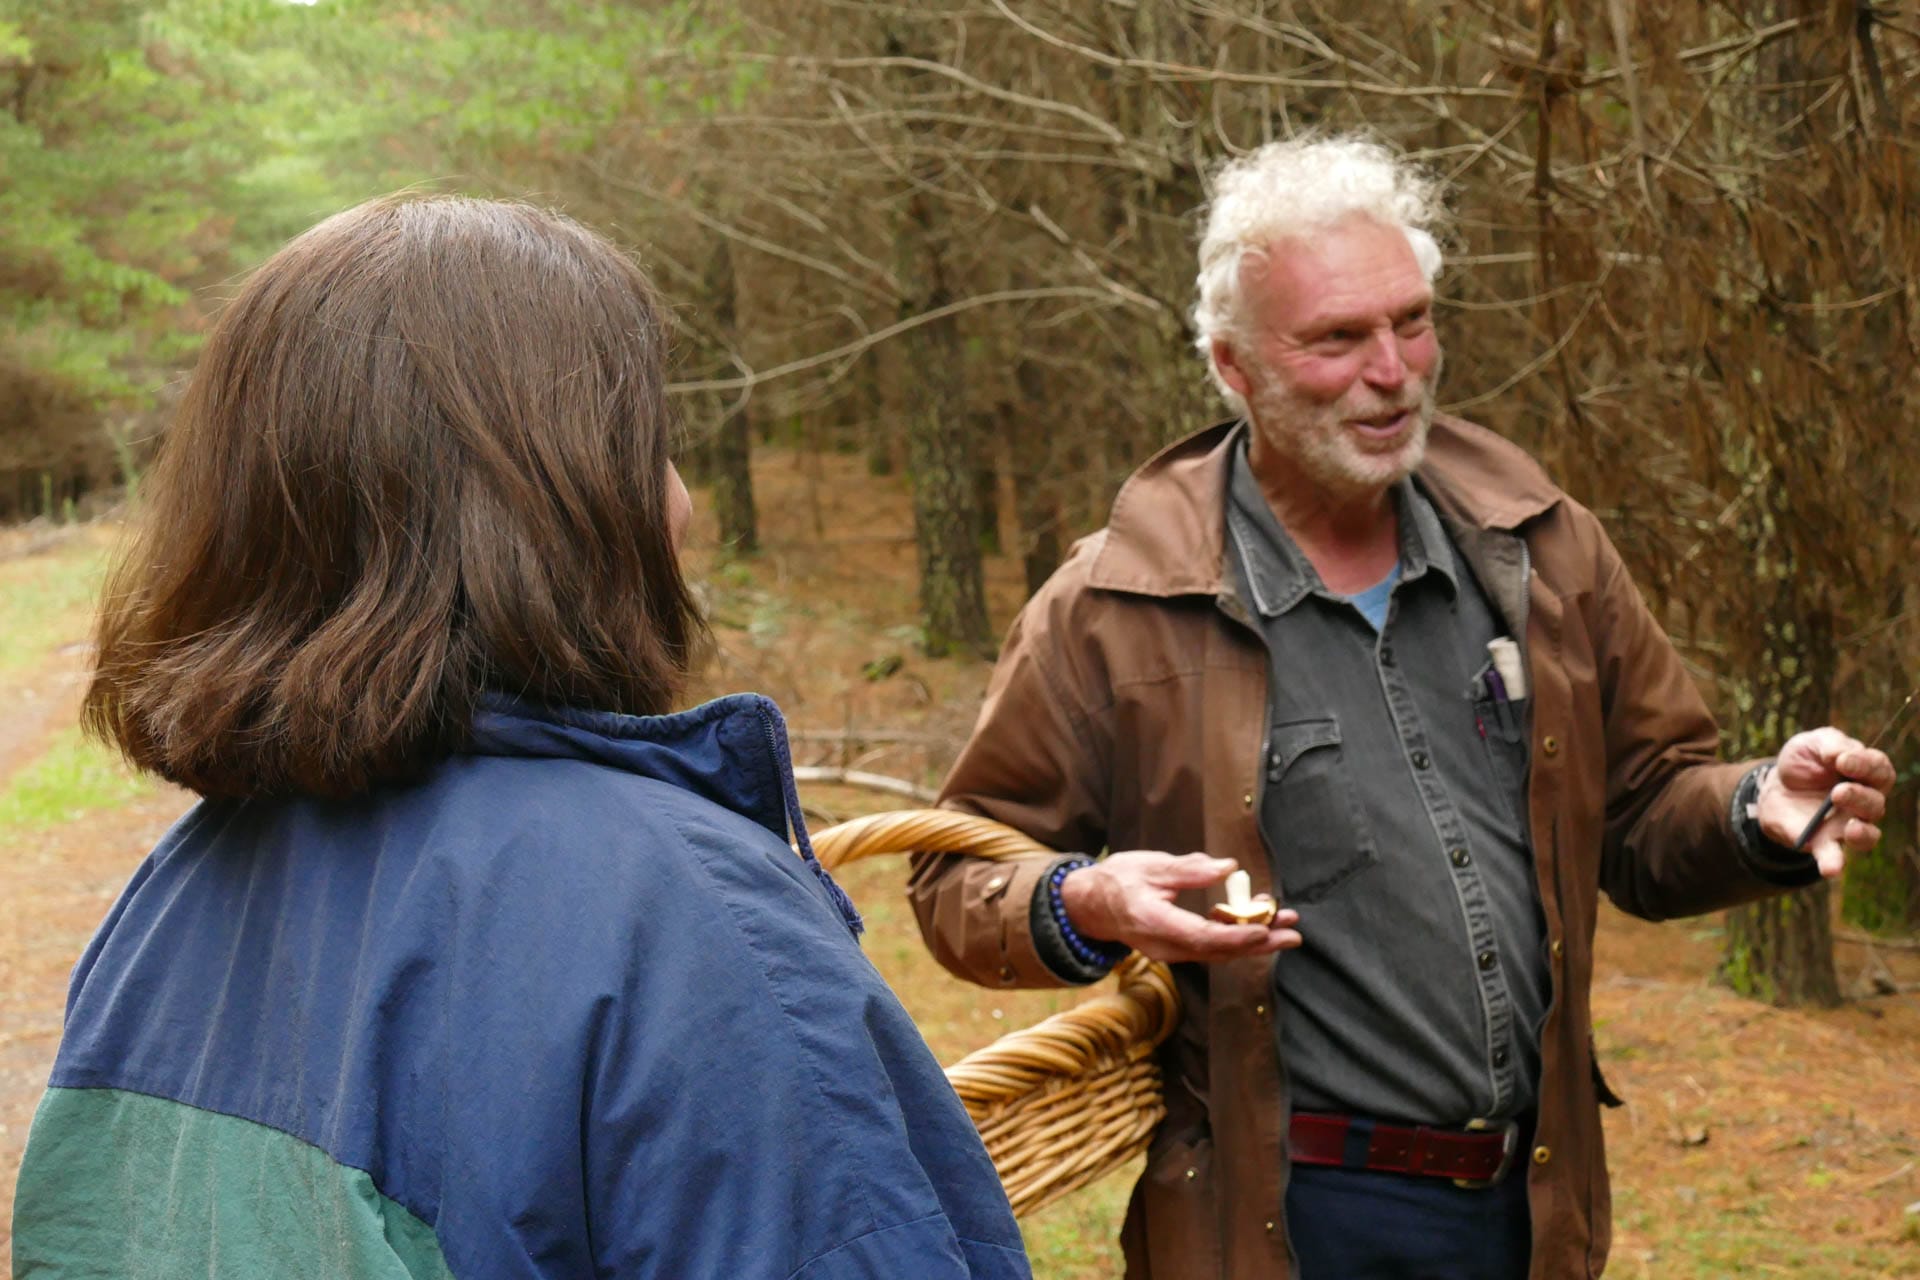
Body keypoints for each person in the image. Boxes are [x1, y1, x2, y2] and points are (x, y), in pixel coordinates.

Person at [907, 134, 1895, 1279]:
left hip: (1531, 1204)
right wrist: (1086, 898)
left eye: (1412, 321)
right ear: (1234, 366)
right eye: (1337, 338)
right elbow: (953, 877)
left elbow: (1636, 812)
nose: (1395, 369)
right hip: (1291, 1218)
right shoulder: (1117, 603)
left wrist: (1753, 811)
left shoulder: (1543, 547)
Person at [12, 195, 1030, 1280]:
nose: (681, 503)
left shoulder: (175, 894)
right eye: (651, 444)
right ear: (551, 496)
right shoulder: (694, 925)